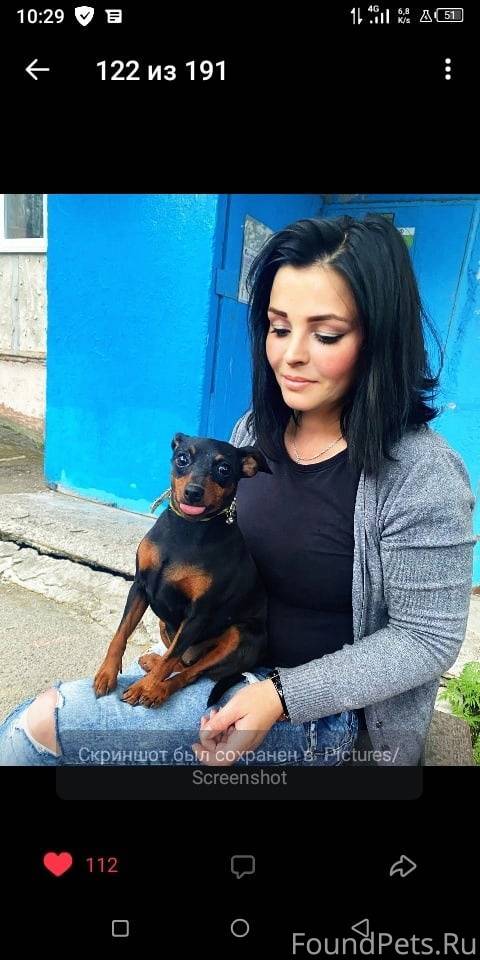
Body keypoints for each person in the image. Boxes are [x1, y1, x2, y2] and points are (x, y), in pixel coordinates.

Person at [0, 214, 475, 767]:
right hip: (223, 662)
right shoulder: (254, 432)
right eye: (278, 327)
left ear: (378, 339)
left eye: (325, 335)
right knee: (40, 719)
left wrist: (281, 695)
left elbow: (426, 640)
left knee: (39, 729)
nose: (291, 355)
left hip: (329, 715)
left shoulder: (422, 474)